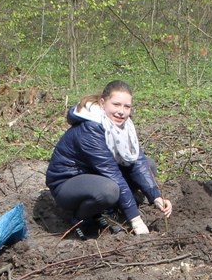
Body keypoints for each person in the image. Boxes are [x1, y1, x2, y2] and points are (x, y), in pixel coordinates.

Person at [45, 80, 172, 239]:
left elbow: (138, 161)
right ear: (103, 102)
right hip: (69, 182)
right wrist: (136, 219)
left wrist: (156, 196)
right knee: (109, 190)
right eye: (116, 104)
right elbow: (112, 173)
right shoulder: (90, 128)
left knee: (148, 165)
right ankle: (79, 219)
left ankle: (108, 210)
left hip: (96, 176)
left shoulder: (126, 126)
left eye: (127, 107)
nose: (122, 112)